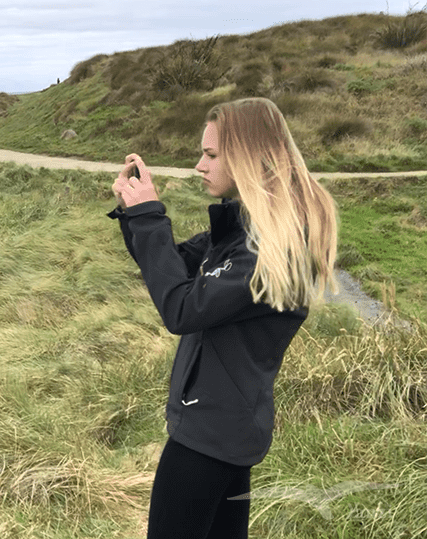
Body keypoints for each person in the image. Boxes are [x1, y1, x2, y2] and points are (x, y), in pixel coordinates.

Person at [107, 97, 338, 539]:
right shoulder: (245, 233)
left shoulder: (268, 251)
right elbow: (172, 267)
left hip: (206, 440)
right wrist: (135, 213)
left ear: (249, 157)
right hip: (227, 430)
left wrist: (149, 216)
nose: (199, 165)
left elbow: (180, 308)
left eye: (211, 154)